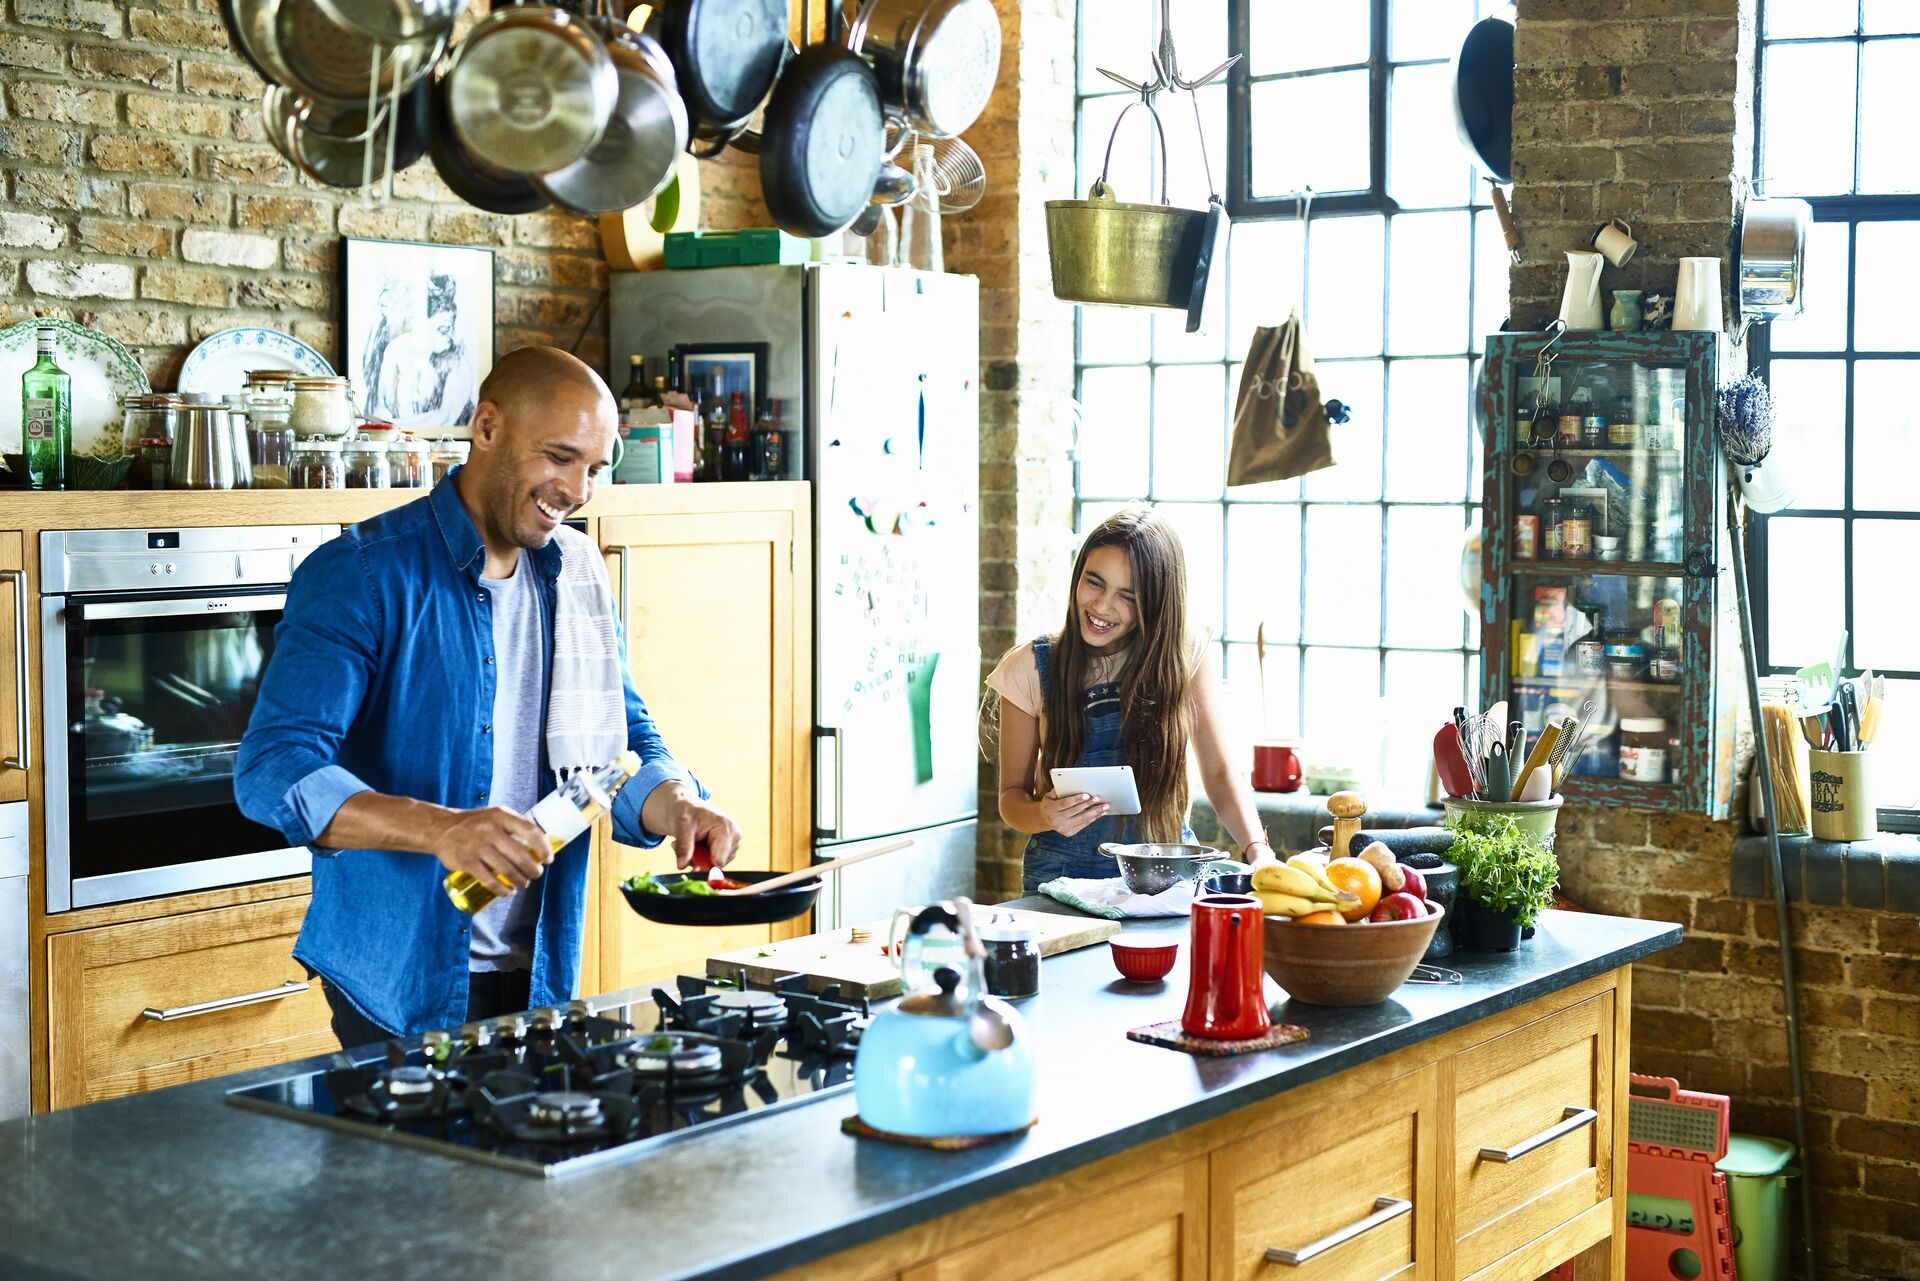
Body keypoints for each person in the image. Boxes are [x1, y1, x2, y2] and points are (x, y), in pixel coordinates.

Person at [236, 346, 740, 1046]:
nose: (579, 489)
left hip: (539, 966)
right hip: (398, 978)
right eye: (560, 457)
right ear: (487, 427)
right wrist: (445, 827)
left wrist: (679, 801)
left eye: (595, 468)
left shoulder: (576, 573)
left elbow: (619, 741)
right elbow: (274, 770)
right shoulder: (362, 573)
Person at [986, 506, 1271, 892]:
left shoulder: (1185, 652)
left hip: (1167, 875)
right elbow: (1010, 800)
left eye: (1127, 596)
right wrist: (1046, 814)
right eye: (1094, 582)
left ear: (1155, 603)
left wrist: (1258, 851)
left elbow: (1220, 774)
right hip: (1060, 883)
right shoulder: (1030, 668)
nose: (1102, 606)